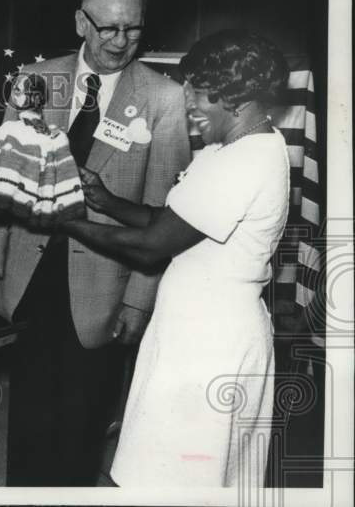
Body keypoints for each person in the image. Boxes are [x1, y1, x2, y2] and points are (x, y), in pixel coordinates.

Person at [0, 0, 191, 486]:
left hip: (106, 282)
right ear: (81, 22)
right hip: (30, 274)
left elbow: (161, 214)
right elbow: (2, 180)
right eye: (108, 28)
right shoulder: (35, 81)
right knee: (29, 416)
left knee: (81, 423)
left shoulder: (164, 99)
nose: (121, 41)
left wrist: (138, 302)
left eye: (133, 29)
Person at [64, 30, 290, 486]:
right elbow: (174, 221)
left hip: (211, 340)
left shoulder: (243, 162)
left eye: (199, 93)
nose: (187, 103)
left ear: (238, 100)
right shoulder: (235, 147)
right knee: (172, 471)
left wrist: (63, 222)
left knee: (176, 476)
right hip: (195, 329)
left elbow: (153, 245)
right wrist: (106, 201)